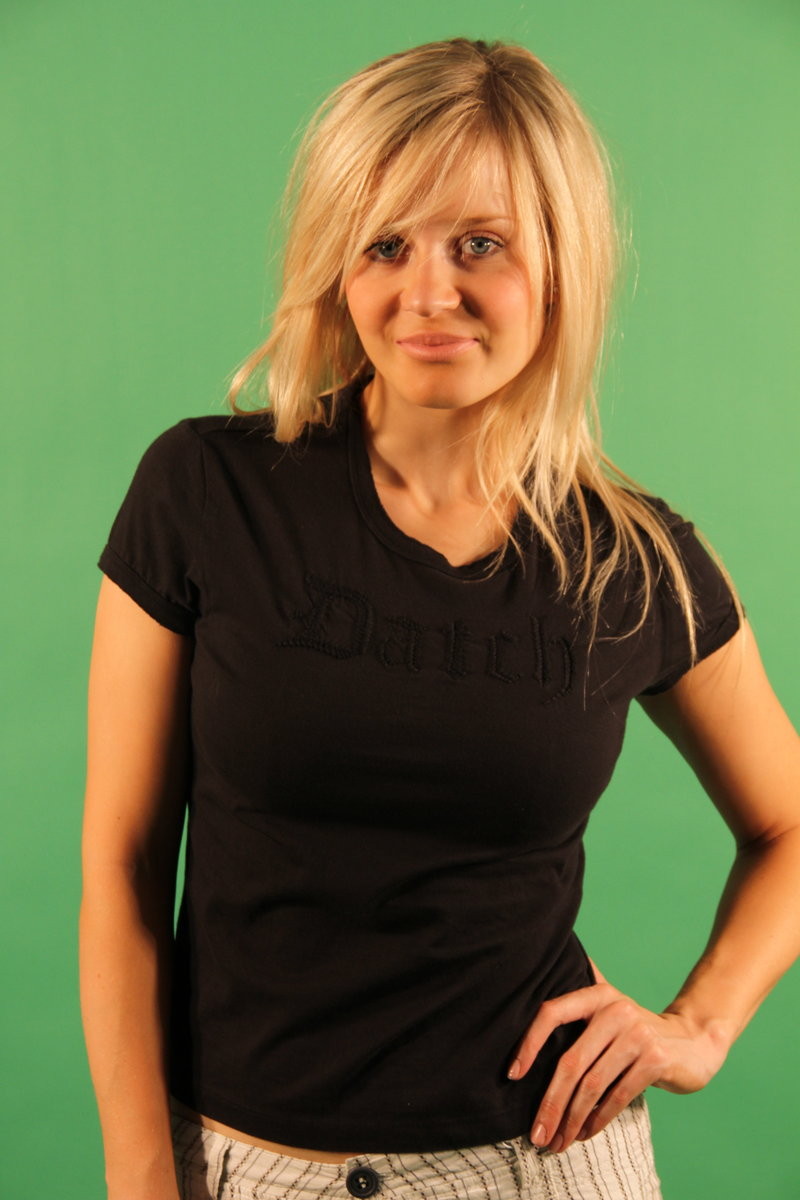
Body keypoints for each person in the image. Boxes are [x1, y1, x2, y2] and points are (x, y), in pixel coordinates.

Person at [80, 37, 800, 1200]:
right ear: (336, 265)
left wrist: (698, 1027)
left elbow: (789, 823)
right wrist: (139, 1178)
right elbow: (120, 868)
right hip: (236, 1166)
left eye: (480, 244)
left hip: (538, 1167)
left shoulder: (631, 563)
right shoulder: (203, 492)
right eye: (384, 245)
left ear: (560, 262)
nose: (427, 293)